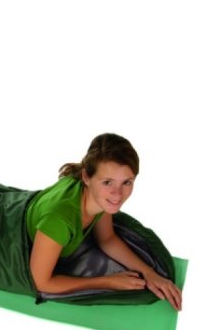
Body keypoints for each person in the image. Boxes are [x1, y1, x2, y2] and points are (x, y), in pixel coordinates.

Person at [27, 133, 182, 311]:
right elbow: (40, 282)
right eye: (108, 182)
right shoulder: (59, 220)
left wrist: (149, 273)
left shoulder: (98, 198)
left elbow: (107, 239)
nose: (118, 194)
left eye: (127, 182)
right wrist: (108, 282)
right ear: (86, 177)